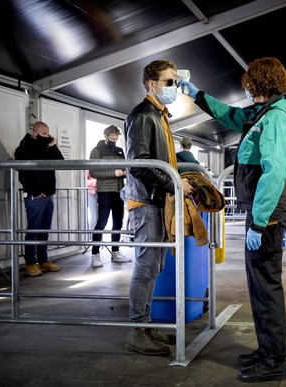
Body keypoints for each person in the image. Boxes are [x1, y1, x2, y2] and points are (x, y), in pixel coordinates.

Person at [181, 57, 286, 383]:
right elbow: (230, 115)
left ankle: (275, 359)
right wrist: (198, 95)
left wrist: (260, 223)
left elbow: (275, 172)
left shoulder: (275, 118)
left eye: (249, 84)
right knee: (260, 287)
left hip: (268, 217)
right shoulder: (260, 114)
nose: (245, 89)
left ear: (260, 84)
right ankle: (268, 350)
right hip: (262, 214)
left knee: (266, 288)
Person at [123, 60, 195, 357]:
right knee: (146, 266)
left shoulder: (159, 115)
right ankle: (137, 330)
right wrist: (173, 184)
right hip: (147, 201)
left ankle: (145, 324)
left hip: (157, 200)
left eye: (174, 81)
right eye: (169, 82)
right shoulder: (143, 115)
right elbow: (139, 163)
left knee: (155, 266)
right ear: (151, 84)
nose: (173, 87)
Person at [14, 121, 64, 277]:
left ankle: (43, 261)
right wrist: (35, 192)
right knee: (33, 229)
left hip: (48, 194)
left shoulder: (46, 147)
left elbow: (61, 162)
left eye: (48, 133)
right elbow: (23, 173)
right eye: (44, 134)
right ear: (34, 132)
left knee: (44, 230)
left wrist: (53, 145)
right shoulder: (23, 149)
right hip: (35, 196)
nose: (47, 136)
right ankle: (30, 263)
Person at [88, 125, 131, 268]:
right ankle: (95, 255)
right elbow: (94, 173)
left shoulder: (119, 151)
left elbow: (125, 166)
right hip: (105, 192)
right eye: (112, 137)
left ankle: (115, 252)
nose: (114, 140)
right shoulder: (96, 151)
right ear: (106, 136)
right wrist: (114, 173)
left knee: (118, 223)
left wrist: (125, 171)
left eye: (116, 137)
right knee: (102, 222)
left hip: (119, 191)